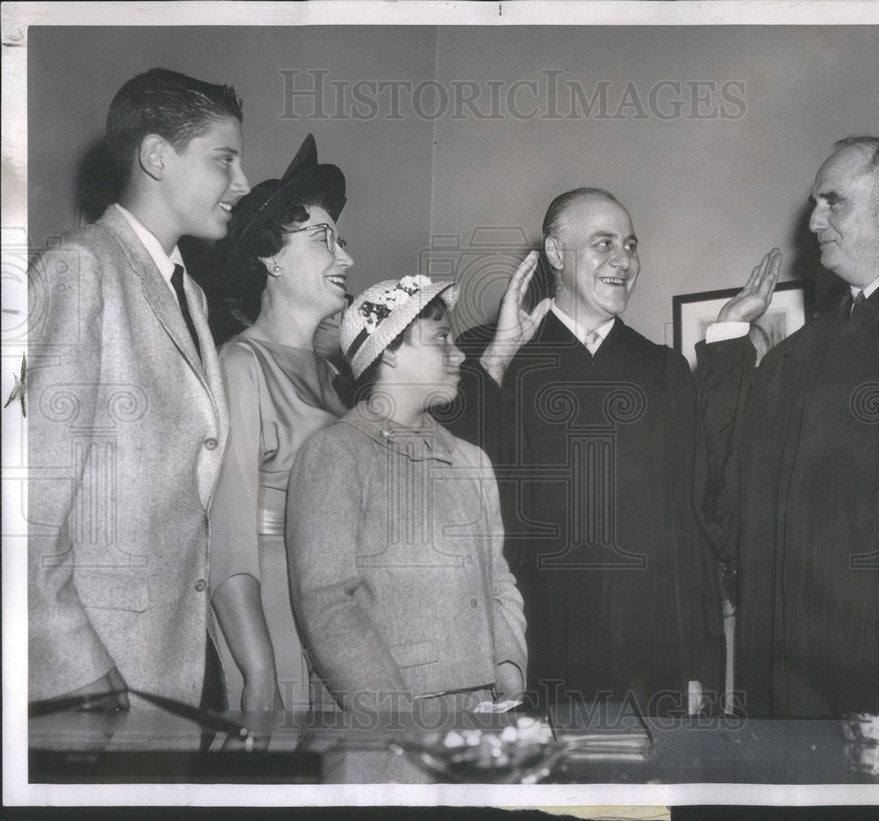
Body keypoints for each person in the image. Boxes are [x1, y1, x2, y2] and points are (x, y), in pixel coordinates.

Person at [698, 136, 879, 718]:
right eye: (814, 203)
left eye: (833, 202)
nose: (814, 219)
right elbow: (726, 497)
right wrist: (726, 338)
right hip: (788, 668)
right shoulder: (795, 354)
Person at [447, 188, 724, 713]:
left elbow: (691, 525)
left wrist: (697, 663)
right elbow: (449, 485)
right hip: (535, 649)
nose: (624, 260)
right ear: (555, 254)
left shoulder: (663, 370)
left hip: (650, 655)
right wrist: (500, 355)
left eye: (631, 245)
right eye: (603, 243)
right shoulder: (498, 359)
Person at [27, 68, 250, 710]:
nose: (240, 183)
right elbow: (28, 506)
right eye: (223, 161)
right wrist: (73, 666)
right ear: (156, 156)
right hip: (96, 670)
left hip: (172, 658)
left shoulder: (191, 293)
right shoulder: (80, 268)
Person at [285, 276, 527, 714]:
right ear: (389, 351)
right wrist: (393, 712)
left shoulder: (470, 461)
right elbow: (325, 601)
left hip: (481, 708)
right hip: (393, 714)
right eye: (440, 339)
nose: (459, 354)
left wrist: (509, 662)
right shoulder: (335, 454)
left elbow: (497, 576)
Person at [208, 135, 354, 711]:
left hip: (336, 627)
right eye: (324, 239)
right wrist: (260, 672)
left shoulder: (337, 378)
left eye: (340, 241)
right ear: (271, 258)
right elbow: (227, 542)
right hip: (270, 630)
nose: (345, 258)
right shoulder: (240, 366)